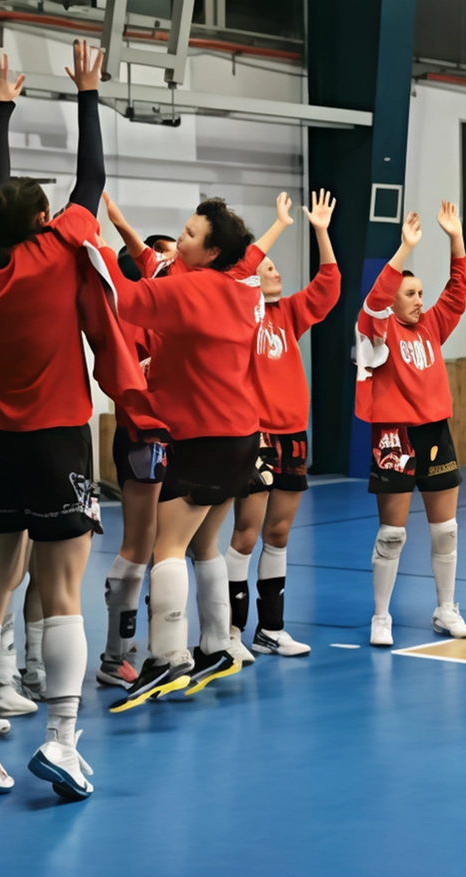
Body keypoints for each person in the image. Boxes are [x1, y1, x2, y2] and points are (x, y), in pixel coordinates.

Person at [0, 43, 154, 799]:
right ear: (44, 218)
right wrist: (89, 93)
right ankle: (63, 739)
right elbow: (90, 179)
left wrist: (1, 108)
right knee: (63, 591)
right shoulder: (61, 251)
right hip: (57, 434)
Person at [101, 189, 295, 711]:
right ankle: (217, 646)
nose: (178, 238)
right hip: (241, 438)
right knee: (204, 544)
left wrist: (89, 244)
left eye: (188, 234)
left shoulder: (193, 293)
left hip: (202, 439)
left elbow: (124, 296)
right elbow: (240, 256)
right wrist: (117, 219)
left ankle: (167, 658)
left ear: (210, 253)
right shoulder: (239, 285)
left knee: (166, 546)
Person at [223, 189, 339, 660]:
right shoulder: (237, 313)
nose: (276, 271)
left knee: (279, 533)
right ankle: (229, 632)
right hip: (255, 434)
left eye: (276, 267)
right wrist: (278, 226)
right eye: (267, 266)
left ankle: (271, 629)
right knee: (246, 533)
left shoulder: (287, 314)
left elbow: (328, 286)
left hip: (293, 433)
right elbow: (237, 273)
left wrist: (321, 232)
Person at [355, 206, 466, 647]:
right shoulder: (378, 328)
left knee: (446, 530)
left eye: (421, 292)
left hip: (435, 432)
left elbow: (458, 291)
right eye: (411, 293)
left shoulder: (432, 326)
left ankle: (446, 608)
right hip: (393, 435)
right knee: (393, 533)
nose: (420, 299)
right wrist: (406, 246)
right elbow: (375, 299)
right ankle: (381, 616)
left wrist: (455, 240)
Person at [96, 193, 169, 687]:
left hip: (169, 436)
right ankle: (111, 657)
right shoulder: (130, 316)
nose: (168, 267)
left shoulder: (168, 318)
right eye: (161, 261)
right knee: (138, 545)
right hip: (142, 435)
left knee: (164, 545)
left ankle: (155, 645)